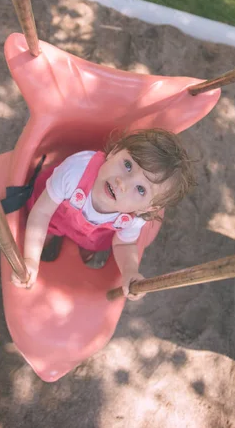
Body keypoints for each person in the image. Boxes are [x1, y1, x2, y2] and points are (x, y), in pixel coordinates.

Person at [11, 128, 195, 300]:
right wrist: (30, 259)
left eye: (140, 189)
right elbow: (42, 212)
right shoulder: (76, 170)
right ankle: (46, 239)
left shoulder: (134, 217)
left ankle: (83, 246)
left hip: (93, 233)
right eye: (128, 165)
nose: (122, 182)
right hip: (56, 214)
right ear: (115, 152)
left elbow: (125, 243)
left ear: (147, 208)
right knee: (43, 226)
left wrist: (130, 271)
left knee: (92, 243)